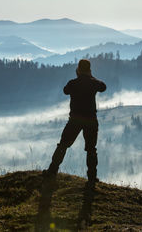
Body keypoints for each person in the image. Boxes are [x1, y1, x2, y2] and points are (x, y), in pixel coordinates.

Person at [44, 59, 106, 188]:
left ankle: (52, 171)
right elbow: (103, 87)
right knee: (91, 149)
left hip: (75, 119)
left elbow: (65, 91)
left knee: (63, 145)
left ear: (78, 69)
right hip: (90, 119)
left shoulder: (73, 83)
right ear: (89, 69)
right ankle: (92, 177)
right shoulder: (93, 83)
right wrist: (90, 77)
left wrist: (80, 76)